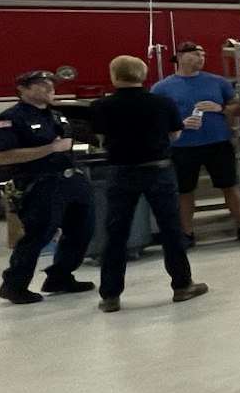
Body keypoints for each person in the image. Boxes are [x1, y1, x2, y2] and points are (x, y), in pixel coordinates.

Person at [88, 55, 207, 312]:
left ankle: (110, 296)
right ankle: (182, 285)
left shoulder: (100, 106)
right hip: (158, 170)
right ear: (142, 75)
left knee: (116, 234)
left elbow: (100, 138)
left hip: (120, 172)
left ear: (114, 75)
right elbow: (174, 134)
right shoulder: (161, 102)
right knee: (171, 230)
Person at [0, 69, 96, 305]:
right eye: (41, 84)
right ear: (23, 89)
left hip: (72, 180)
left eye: (52, 83)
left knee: (82, 230)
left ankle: (60, 276)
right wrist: (50, 149)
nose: (50, 87)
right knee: (39, 234)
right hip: (39, 183)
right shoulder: (10, 120)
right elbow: (3, 157)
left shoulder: (57, 115)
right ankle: (14, 285)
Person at [153, 41, 240, 244]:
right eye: (195, 54)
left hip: (217, 143)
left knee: (230, 186)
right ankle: (186, 233)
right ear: (180, 56)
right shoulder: (162, 88)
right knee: (184, 191)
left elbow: (237, 108)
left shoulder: (218, 82)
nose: (201, 58)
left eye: (203, 54)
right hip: (181, 147)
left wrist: (220, 108)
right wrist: (179, 125)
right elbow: (155, 118)